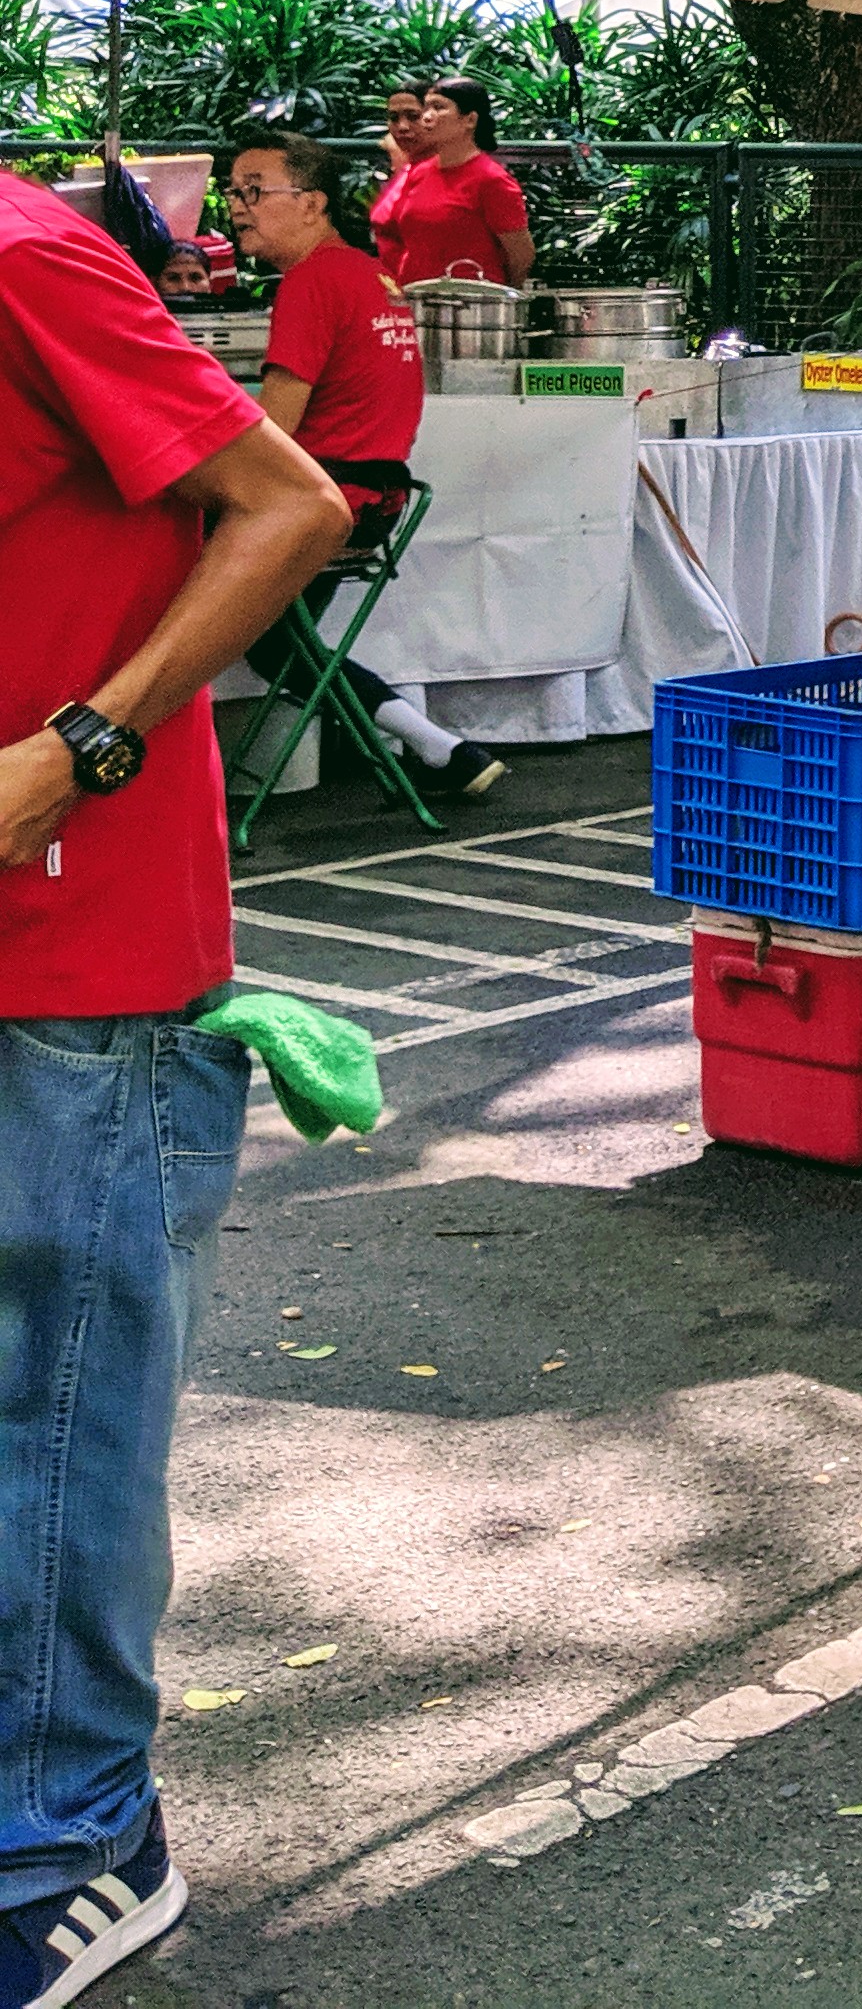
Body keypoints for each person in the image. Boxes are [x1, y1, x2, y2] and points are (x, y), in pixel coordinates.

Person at [0, 166, 355, 2005]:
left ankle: (78, 1843)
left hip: (82, 954)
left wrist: (78, 745)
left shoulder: (26, 257)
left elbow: (293, 505)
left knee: (56, 1410)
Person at [224, 129, 504, 801]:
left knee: (160, 565)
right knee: (276, 642)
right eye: (233, 191)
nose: (237, 205)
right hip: (373, 499)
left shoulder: (311, 282)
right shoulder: (369, 274)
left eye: (255, 191)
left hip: (321, 504)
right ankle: (443, 752)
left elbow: (273, 431)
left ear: (312, 202)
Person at [367, 76, 530, 288]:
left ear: (470, 120)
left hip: (472, 300)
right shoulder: (419, 172)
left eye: (438, 107)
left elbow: (521, 253)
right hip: (416, 295)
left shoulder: (491, 180)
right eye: (426, 108)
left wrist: (497, 294)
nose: (427, 117)